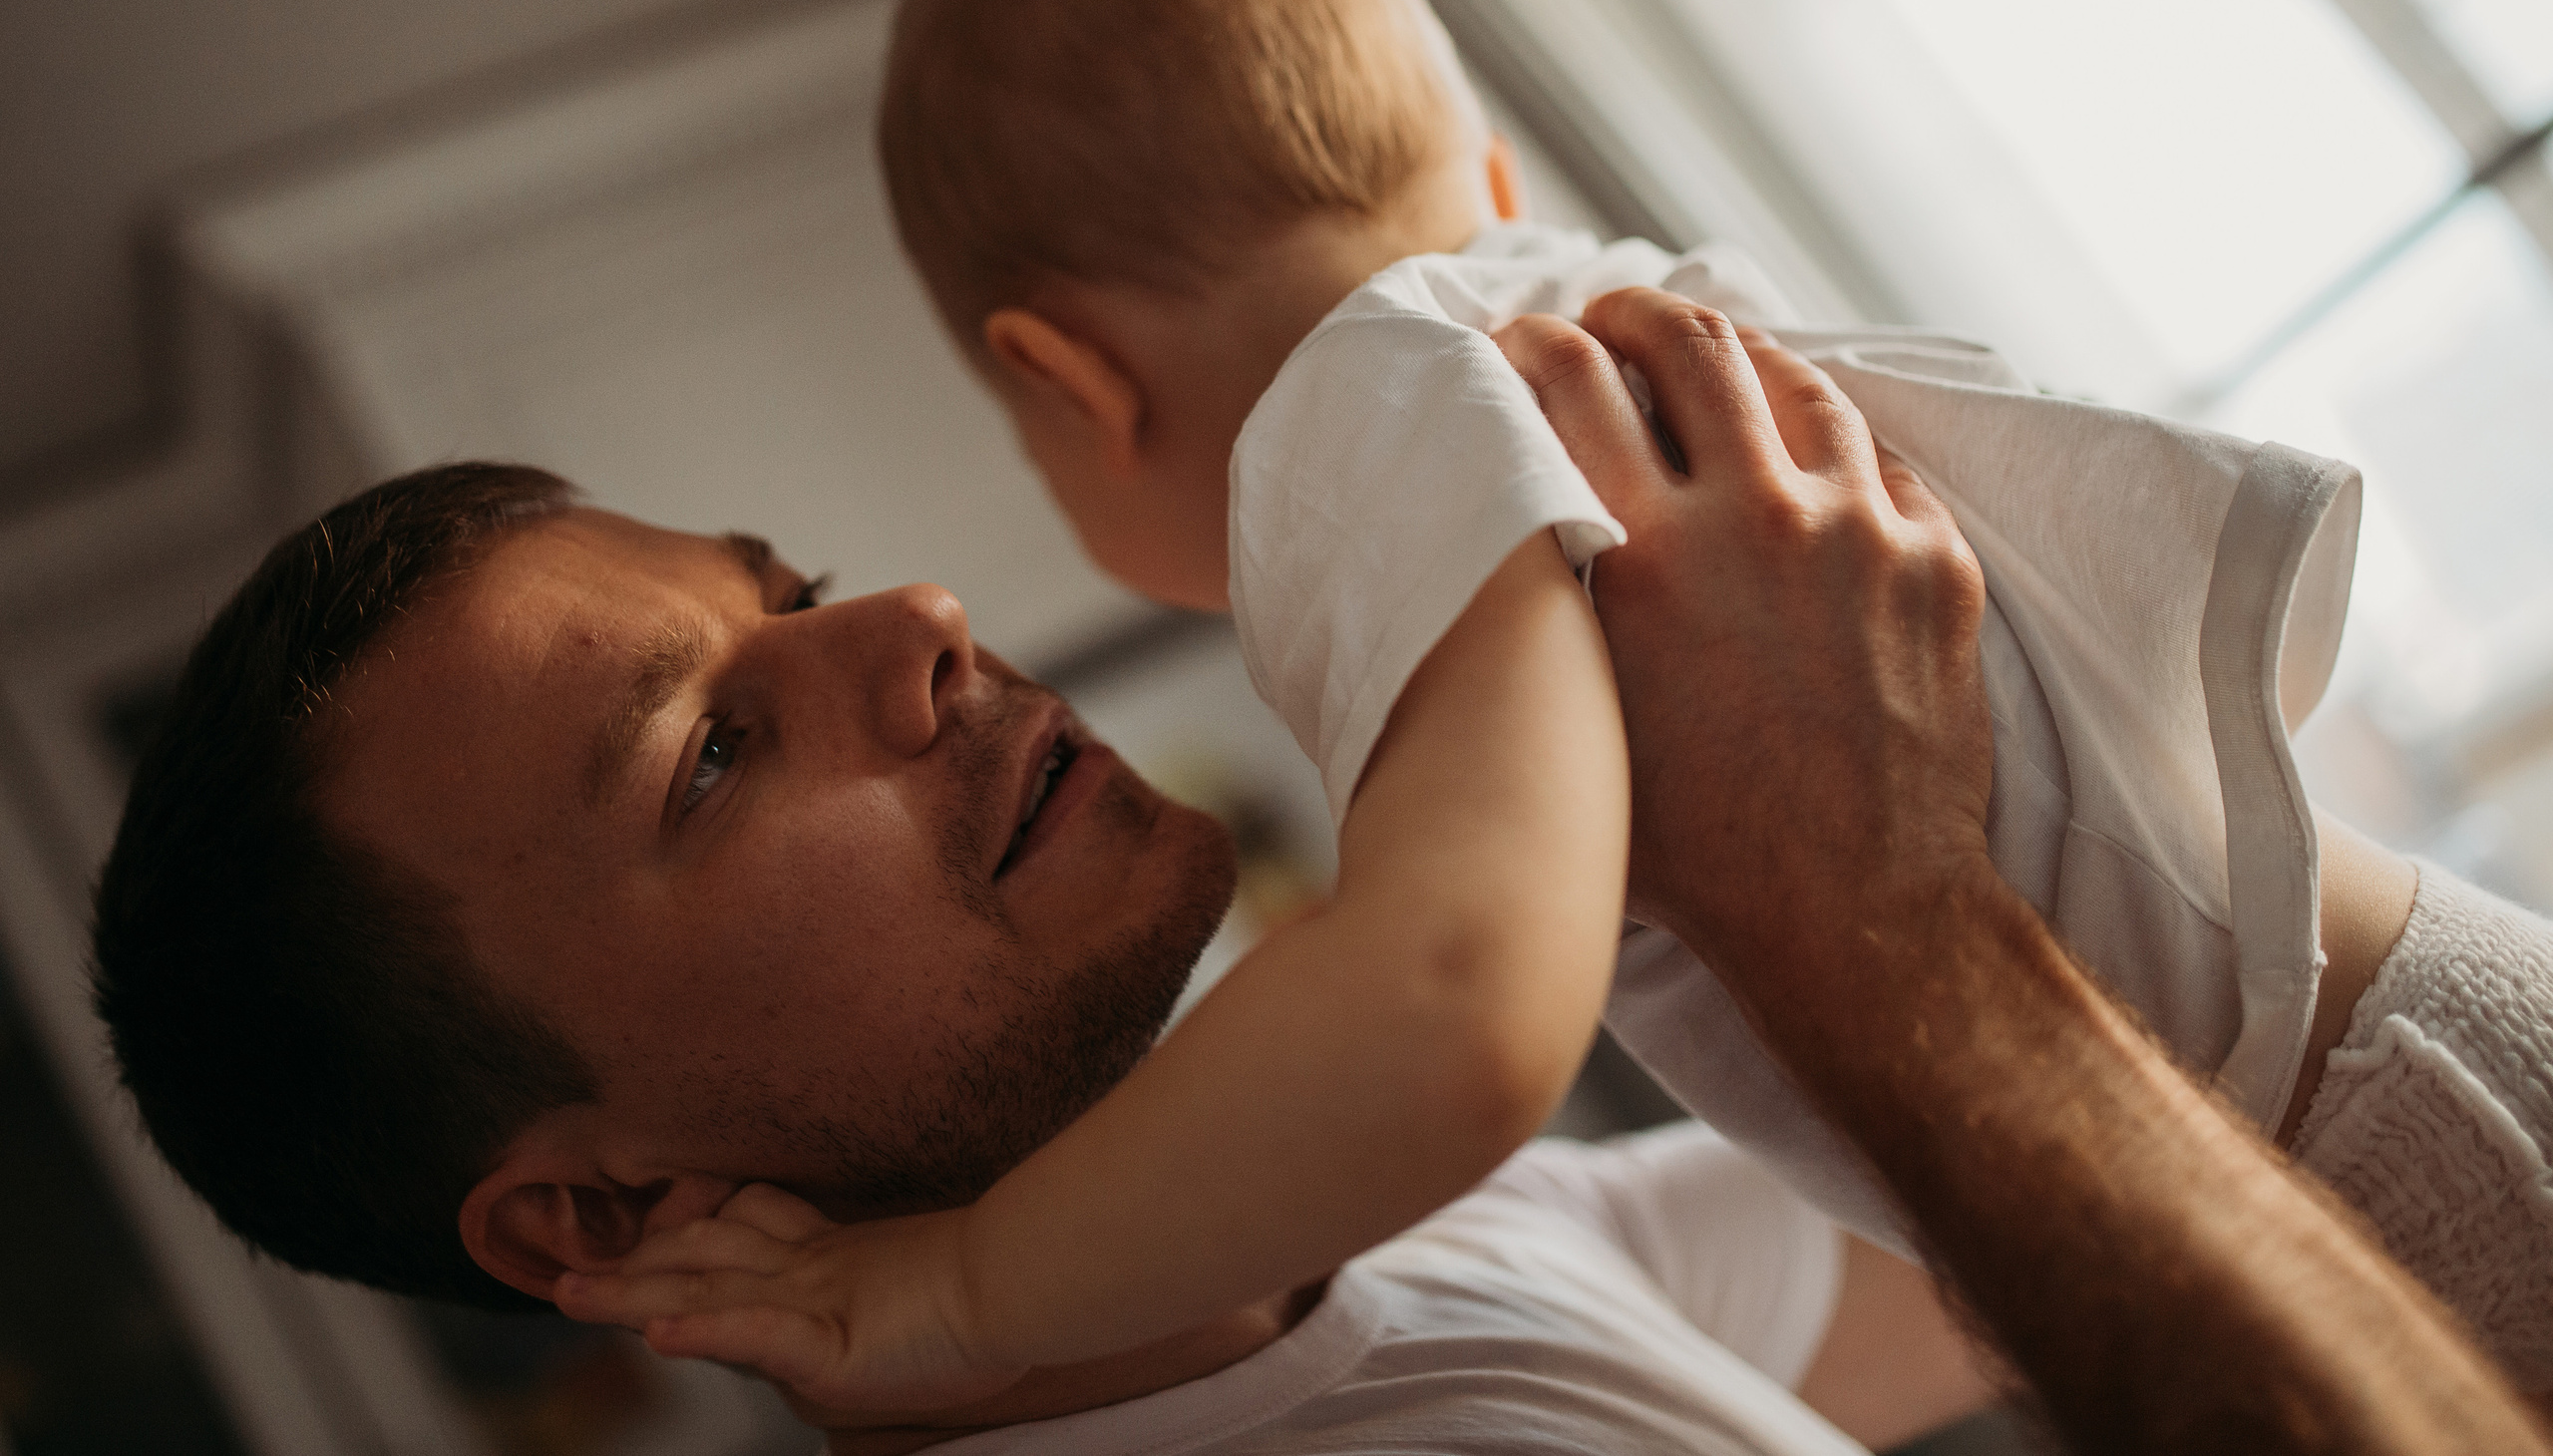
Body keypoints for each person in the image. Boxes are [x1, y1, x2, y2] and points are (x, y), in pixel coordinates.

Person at [90, 298, 2545, 1452]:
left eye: (794, 582)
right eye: (713, 751)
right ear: (594, 1221)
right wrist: (1871, 916)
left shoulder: (1392, 1265)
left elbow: (2102, 1222)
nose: (915, 628)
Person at [850, 0, 2553, 1389]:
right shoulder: (1591, 312)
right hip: (2415, 1025)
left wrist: (967, 1290)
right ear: (1496, 181)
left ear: (1065, 384)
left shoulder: (1358, 417)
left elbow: (1450, 1001)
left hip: (2357, 1160)